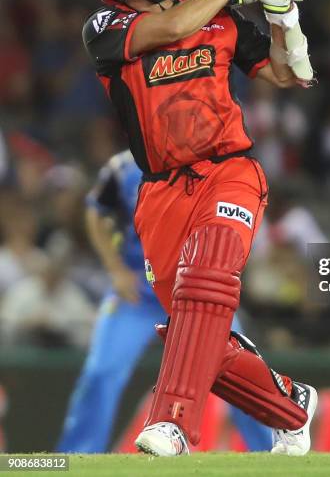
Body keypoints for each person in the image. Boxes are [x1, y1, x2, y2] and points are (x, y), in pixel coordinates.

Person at [82, 0, 317, 456]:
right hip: (161, 192)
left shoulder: (221, 18)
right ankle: (292, 406)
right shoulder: (105, 26)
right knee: (193, 326)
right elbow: (166, 31)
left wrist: (283, 14)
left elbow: (288, 75)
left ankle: (173, 423)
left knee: (206, 282)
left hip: (229, 170)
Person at [56, 150, 273, 453]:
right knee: (101, 371)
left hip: (197, 294)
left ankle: (270, 452)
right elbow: (96, 210)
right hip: (138, 295)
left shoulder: (213, 167)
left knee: (242, 372)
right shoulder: (124, 166)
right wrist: (115, 269)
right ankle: (75, 457)